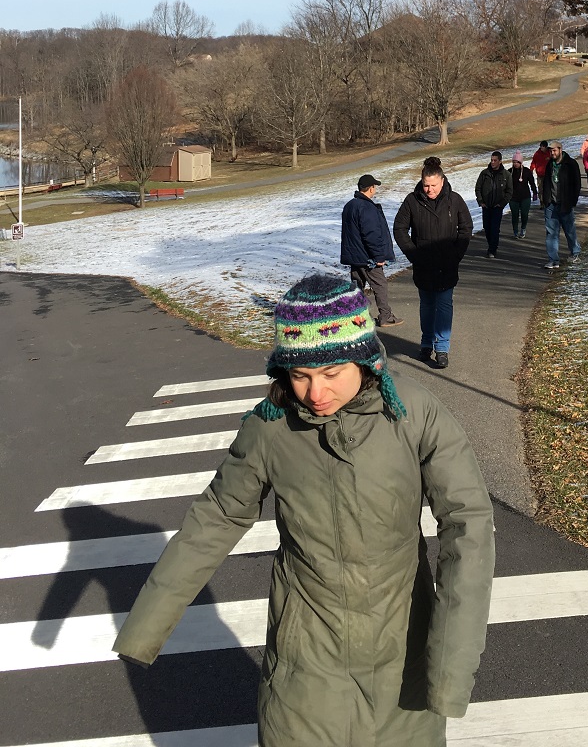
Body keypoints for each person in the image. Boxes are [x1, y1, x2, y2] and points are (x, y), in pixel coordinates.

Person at [113, 273, 495, 747]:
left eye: (332, 373)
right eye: (300, 375)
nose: (316, 393)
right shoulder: (269, 429)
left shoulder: (414, 415)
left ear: (364, 359)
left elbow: (468, 526)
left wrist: (451, 662)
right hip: (305, 662)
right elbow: (218, 516)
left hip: (404, 656)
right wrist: (145, 626)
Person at [393, 156, 473, 369]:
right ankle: (427, 342)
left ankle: (443, 347)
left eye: (433, 185)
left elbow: (466, 228)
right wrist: (413, 253)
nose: (429, 190)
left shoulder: (454, 200)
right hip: (423, 264)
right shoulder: (412, 200)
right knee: (427, 305)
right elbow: (399, 229)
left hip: (447, 263)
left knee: (445, 305)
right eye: (426, 185)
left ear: (442, 181)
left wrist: (457, 253)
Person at [340, 173, 403, 327]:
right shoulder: (366, 207)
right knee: (380, 285)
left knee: (357, 287)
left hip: (354, 256)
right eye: (374, 186)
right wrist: (379, 256)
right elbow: (371, 235)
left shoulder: (350, 205)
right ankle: (385, 316)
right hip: (368, 258)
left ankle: (357, 317)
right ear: (371, 188)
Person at [541, 139, 582, 269]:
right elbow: (546, 183)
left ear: (560, 149)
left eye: (554, 150)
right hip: (551, 204)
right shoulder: (549, 165)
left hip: (565, 204)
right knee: (551, 232)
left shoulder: (570, 164)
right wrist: (545, 200)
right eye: (550, 151)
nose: (552, 153)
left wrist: (572, 201)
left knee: (569, 230)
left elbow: (577, 184)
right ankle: (553, 259)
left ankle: (575, 252)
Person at [474, 150, 512, 258]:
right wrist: (481, 201)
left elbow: (509, 191)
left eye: (495, 160)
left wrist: (502, 204)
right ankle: (491, 245)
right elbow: (478, 188)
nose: (493, 162)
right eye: (491, 160)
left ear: (500, 161)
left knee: (494, 228)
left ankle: (492, 249)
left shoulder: (506, 175)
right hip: (486, 206)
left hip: (497, 207)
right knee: (487, 227)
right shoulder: (484, 174)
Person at [508, 149, 537, 238]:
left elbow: (532, 182)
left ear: (520, 162)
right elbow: (505, 185)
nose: (515, 164)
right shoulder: (509, 172)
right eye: (514, 162)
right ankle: (515, 231)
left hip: (525, 197)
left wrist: (535, 192)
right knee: (514, 215)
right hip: (513, 198)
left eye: (517, 162)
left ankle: (523, 228)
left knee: (524, 214)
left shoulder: (526, 171)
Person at [530, 140, 552, 205]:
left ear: (546, 147)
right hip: (540, 175)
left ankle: (549, 201)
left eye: (543, 147)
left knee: (549, 188)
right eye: (541, 147)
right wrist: (531, 170)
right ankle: (542, 202)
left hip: (548, 174)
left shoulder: (550, 152)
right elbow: (533, 162)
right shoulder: (537, 154)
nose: (541, 148)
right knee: (540, 189)